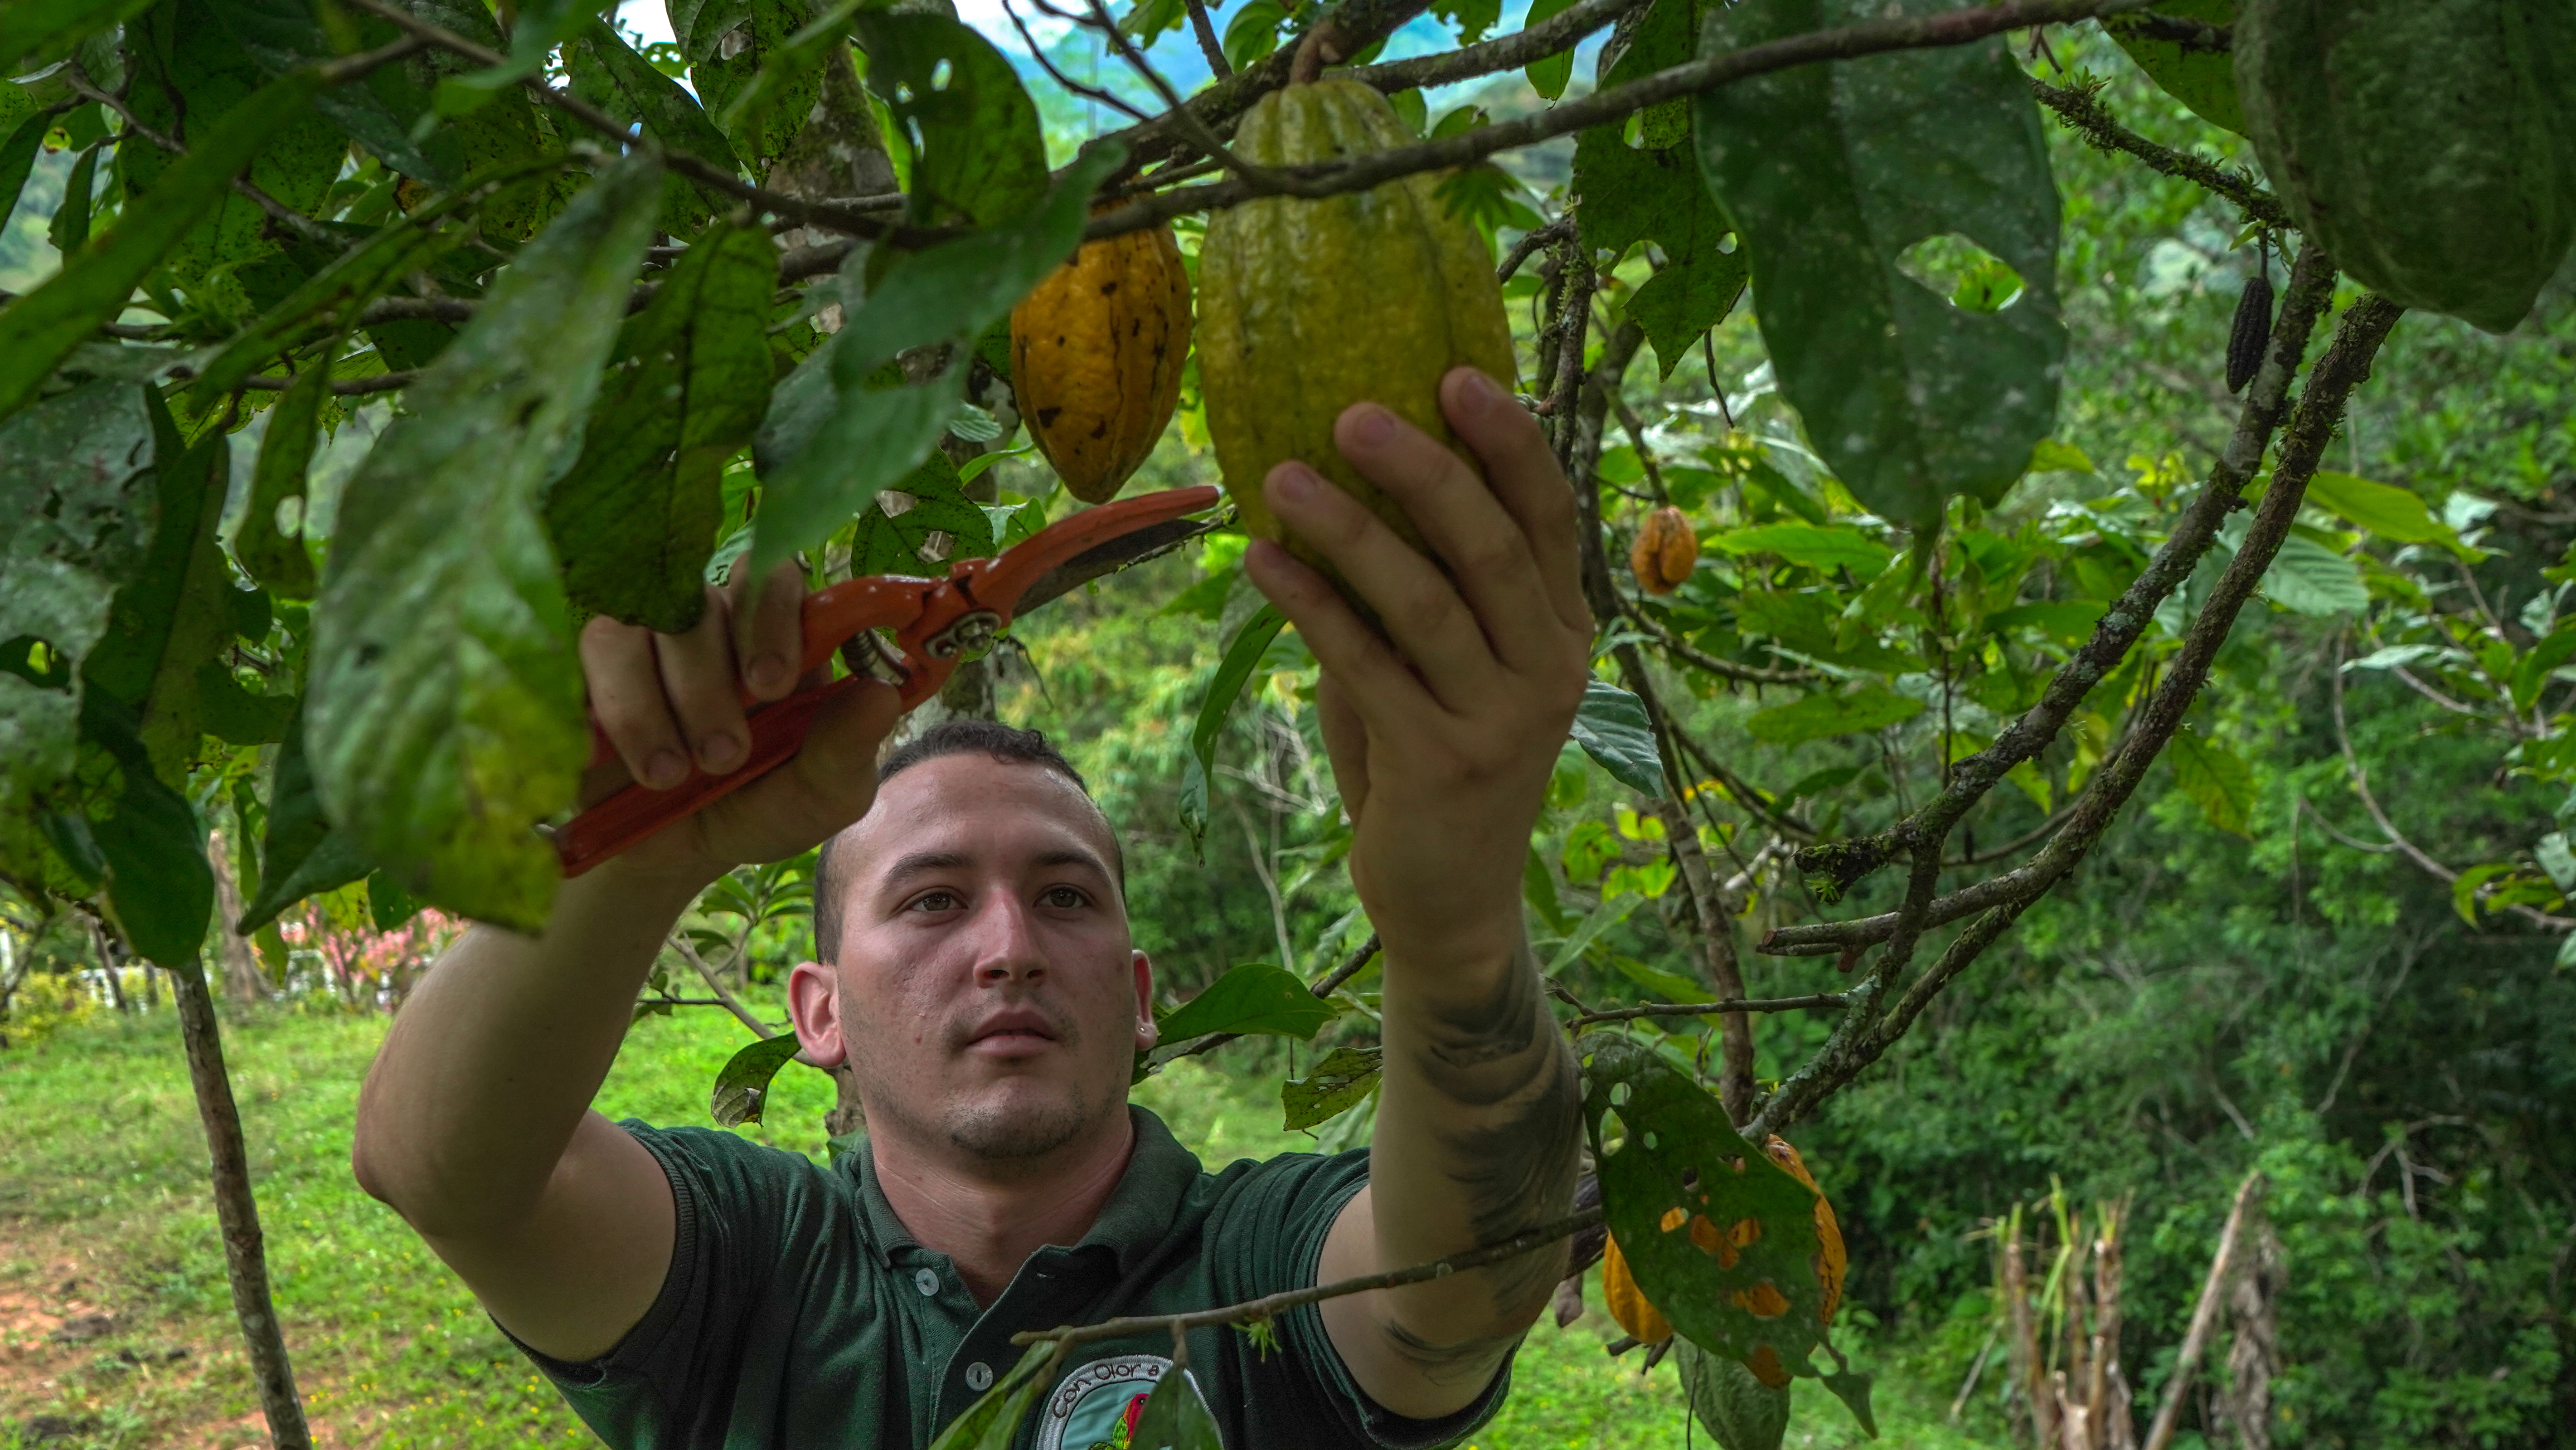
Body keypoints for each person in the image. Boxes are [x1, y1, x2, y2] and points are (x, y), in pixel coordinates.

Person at [350, 366, 1595, 1448]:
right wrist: (646, 850)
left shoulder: (1259, 1256)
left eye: (1064, 896)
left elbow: (1462, 1289)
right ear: (818, 1011)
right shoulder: (750, 1259)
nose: (1010, 950)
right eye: (933, 901)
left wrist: (1458, 925)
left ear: (1143, 995)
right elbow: (444, 1174)